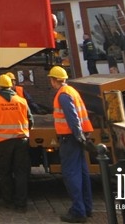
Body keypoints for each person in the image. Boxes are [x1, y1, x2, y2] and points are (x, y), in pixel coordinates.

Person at [48, 66, 94, 223]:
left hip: (70, 138)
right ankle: (87, 208)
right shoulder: (71, 91)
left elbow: (72, 117)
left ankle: (78, 211)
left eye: (51, 80)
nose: (51, 83)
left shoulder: (63, 95)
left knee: (71, 174)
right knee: (82, 173)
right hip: (77, 138)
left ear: (55, 80)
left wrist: (78, 135)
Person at [0, 74, 32, 212]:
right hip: (21, 140)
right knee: (21, 172)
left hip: (4, 142)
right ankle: (21, 204)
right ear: (11, 85)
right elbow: (30, 119)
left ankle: (7, 200)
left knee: (5, 172)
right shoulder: (21, 101)